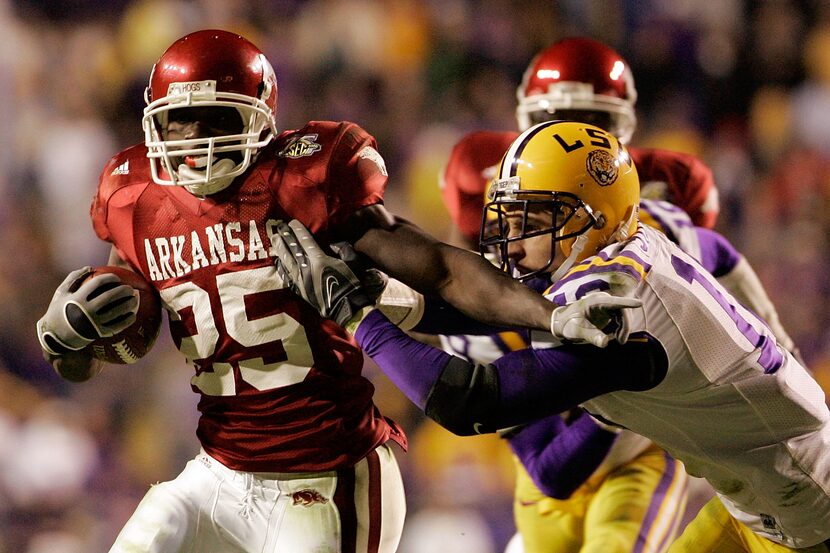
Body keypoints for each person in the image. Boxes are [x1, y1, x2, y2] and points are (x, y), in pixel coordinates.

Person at [33, 29, 565, 553]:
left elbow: (440, 269)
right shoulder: (135, 198)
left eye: (217, 119)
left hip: (329, 476)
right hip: (218, 473)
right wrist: (69, 341)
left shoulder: (303, 179)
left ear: (260, 118)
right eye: (180, 121)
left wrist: (553, 313)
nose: (197, 140)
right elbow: (110, 348)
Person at [275, 121, 830, 552]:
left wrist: (356, 317)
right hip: (766, 504)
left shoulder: (621, 308)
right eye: (509, 221)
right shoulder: (618, 260)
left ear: (595, 218)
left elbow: (469, 402)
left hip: (810, 513)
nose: (512, 244)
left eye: (534, 222)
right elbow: (463, 289)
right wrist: (372, 271)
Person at [439, 36, 793, 553]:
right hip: (553, 430)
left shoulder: (660, 205)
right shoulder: (490, 191)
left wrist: (780, 351)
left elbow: (719, 264)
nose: (570, 135)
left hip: (639, 450)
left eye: (591, 122)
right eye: (552, 121)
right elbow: (462, 282)